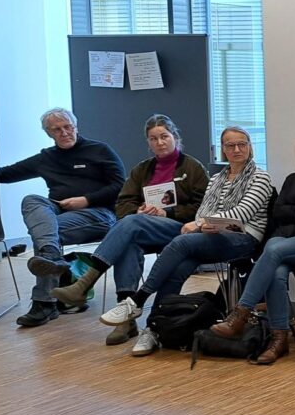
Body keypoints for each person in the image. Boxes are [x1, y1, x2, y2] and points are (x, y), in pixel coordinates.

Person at [97, 126, 275, 357]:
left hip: (244, 238)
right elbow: (203, 210)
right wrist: (205, 223)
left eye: (242, 144)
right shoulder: (216, 179)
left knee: (181, 243)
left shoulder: (260, 177)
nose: (237, 149)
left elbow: (241, 214)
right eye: (230, 145)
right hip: (211, 236)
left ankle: (137, 300)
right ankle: (154, 328)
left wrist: (202, 223)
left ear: (250, 146)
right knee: (179, 267)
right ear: (223, 149)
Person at [0, 108, 125, 327]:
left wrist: (86, 200)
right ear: (48, 133)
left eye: (68, 127)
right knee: (32, 201)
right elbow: (6, 173)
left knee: (43, 233)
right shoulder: (46, 158)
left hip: (99, 214)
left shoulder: (100, 150)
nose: (64, 133)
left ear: (76, 126)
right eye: (57, 129)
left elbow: (120, 185)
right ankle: (51, 257)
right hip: (59, 211)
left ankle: (44, 303)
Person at [50, 114, 209, 345]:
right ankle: (126, 319)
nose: (160, 142)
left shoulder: (193, 168)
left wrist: (166, 212)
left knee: (132, 225)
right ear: (148, 143)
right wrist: (139, 210)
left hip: (180, 228)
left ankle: (85, 283)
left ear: (175, 137)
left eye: (164, 136)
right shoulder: (141, 170)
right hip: (144, 227)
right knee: (129, 242)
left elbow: (202, 206)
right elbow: (123, 204)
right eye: (153, 139)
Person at [208, 127, 295, 365]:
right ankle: (279, 339)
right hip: (284, 237)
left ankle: (241, 313)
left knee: (273, 251)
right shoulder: (293, 179)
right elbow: (278, 211)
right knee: (275, 271)